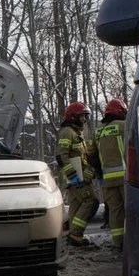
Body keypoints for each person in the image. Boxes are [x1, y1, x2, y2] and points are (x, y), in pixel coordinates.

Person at [56, 101, 98, 247]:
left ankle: (70, 235)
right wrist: (73, 175)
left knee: (75, 205)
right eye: (82, 116)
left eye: (85, 116)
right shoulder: (67, 132)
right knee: (90, 201)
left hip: (77, 175)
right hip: (75, 176)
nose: (84, 119)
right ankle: (76, 234)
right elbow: (62, 156)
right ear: (73, 117)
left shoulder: (76, 132)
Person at [95, 98, 128, 254]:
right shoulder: (123, 126)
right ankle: (133, 242)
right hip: (125, 177)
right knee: (130, 209)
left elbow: (92, 155)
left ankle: (118, 242)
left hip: (107, 180)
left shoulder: (98, 130)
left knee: (115, 211)